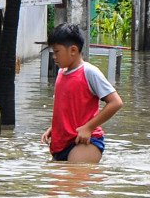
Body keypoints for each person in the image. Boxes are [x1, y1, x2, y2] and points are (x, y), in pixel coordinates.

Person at [41, 23, 123, 163]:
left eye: (57, 52)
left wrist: (88, 128)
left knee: (74, 179)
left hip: (85, 141)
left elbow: (116, 102)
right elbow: (65, 108)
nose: (54, 56)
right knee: (57, 183)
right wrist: (55, 127)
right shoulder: (61, 73)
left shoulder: (89, 72)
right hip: (61, 143)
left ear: (73, 50)